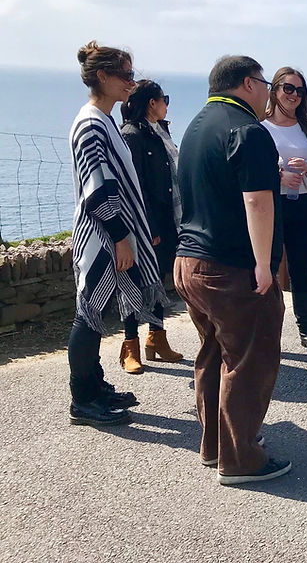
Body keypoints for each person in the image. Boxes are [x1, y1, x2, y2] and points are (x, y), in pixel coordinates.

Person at [174, 55, 291, 485]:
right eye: (266, 84)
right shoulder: (248, 130)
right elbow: (257, 201)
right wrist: (263, 264)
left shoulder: (196, 126)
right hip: (231, 265)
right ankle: (241, 459)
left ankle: (215, 445)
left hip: (189, 261)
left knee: (214, 351)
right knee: (249, 359)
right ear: (248, 83)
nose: (269, 94)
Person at [67, 41, 167, 426]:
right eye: (125, 74)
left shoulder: (103, 119)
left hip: (106, 233)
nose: (131, 81)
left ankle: (95, 387)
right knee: (89, 315)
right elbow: (98, 188)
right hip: (101, 236)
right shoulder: (92, 124)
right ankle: (83, 399)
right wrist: (121, 236)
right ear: (102, 76)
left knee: (97, 313)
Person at [262, 66, 307, 355]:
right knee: (267, 270)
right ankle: (266, 333)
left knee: (301, 270)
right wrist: (278, 175)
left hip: (304, 205)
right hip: (271, 205)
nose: (294, 95)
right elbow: (250, 166)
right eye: (288, 88)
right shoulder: (260, 125)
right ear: (275, 90)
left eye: (300, 91)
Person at [119, 79, 184, 372]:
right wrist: (151, 227)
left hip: (167, 217)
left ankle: (156, 338)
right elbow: (136, 186)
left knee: (157, 280)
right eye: (164, 99)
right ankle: (129, 346)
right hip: (143, 221)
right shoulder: (131, 135)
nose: (167, 104)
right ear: (152, 103)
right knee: (133, 281)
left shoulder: (160, 131)